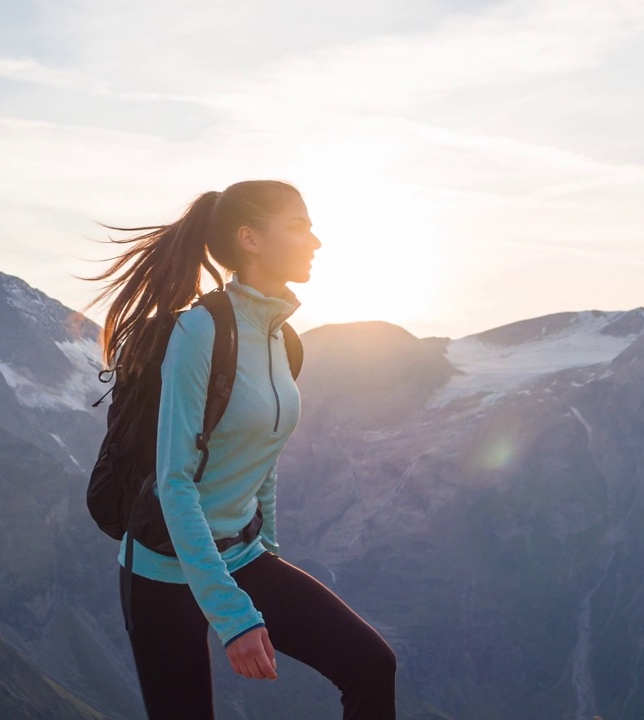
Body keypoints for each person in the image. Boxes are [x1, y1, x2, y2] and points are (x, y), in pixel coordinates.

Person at [88, 181, 397, 719]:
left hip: (243, 553)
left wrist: (268, 551)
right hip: (164, 564)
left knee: (371, 665)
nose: (316, 241)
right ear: (250, 239)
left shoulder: (283, 337)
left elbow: (264, 455)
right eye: (299, 227)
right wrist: (236, 617)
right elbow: (174, 481)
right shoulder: (201, 329)